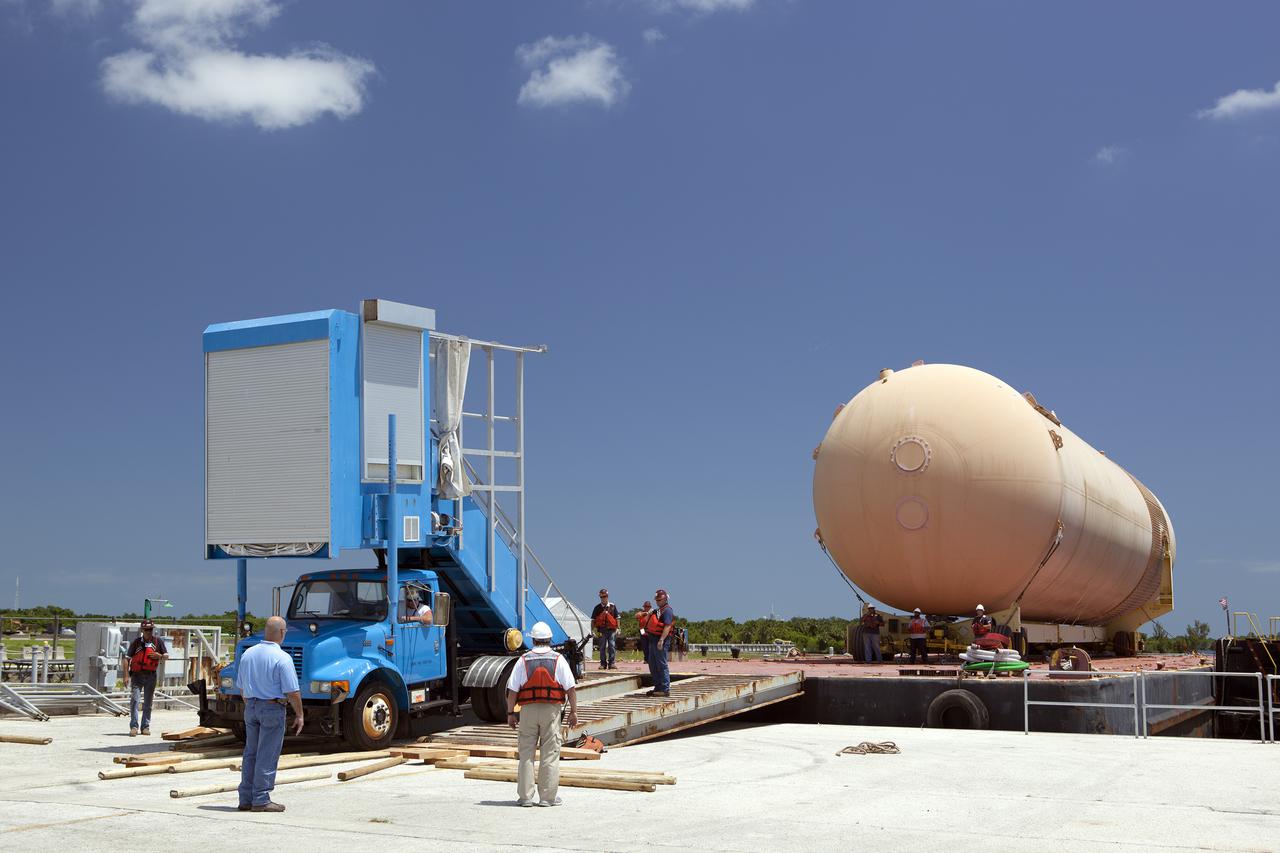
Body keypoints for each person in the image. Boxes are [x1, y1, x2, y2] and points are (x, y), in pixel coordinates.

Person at [235, 616, 304, 813]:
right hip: (272, 708)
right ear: (282, 633)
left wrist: (252, 704)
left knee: (251, 753)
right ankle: (261, 799)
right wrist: (299, 714)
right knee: (267, 754)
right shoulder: (282, 658)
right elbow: (292, 691)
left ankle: (246, 798)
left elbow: (241, 686)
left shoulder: (248, 654)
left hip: (251, 707)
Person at [506, 621, 578, 807]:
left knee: (526, 754)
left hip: (528, 711)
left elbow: (512, 690)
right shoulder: (558, 659)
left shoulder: (523, 660)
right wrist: (574, 712)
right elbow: (570, 688)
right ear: (549, 639)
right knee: (550, 754)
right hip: (551, 711)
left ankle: (525, 798)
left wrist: (510, 713)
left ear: (534, 640)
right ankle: (547, 798)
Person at [123, 619, 169, 736]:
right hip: (137, 676)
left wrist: (160, 656)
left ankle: (145, 727)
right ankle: (134, 726)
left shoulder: (158, 642)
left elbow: (166, 655)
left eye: (151, 629)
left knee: (148, 703)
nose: (149, 632)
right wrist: (126, 676)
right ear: (142, 630)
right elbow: (126, 659)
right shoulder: (136, 643)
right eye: (146, 630)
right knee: (135, 700)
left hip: (150, 676)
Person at [643, 589, 675, 697]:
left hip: (660, 640)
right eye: (656, 600)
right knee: (652, 664)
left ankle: (665, 689)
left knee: (661, 664)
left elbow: (667, 626)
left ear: (665, 599)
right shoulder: (657, 611)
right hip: (652, 639)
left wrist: (661, 640)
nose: (657, 602)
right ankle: (657, 687)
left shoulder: (667, 611)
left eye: (659, 600)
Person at [590, 588, 619, 670]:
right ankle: (603, 664)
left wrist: (618, 628)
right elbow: (593, 620)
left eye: (605, 596)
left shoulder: (613, 606)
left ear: (607, 596)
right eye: (601, 597)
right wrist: (592, 631)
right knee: (602, 647)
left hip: (612, 630)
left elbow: (617, 618)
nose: (603, 598)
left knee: (612, 646)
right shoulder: (597, 608)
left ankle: (612, 663)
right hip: (601, 630)